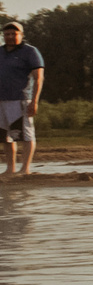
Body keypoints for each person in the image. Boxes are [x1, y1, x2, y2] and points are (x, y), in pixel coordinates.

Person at [0, 19, 42, 176]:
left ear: (21, 35)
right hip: (1, 100)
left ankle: (25, 169)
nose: (10, 37)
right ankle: (10, 169)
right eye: (7, 34)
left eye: (14, 34)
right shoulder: (0, 52)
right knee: (5, 136)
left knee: (25, 134)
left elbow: (38, 78)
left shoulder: (30, 52)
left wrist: (34, 101)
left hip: (20, 99)